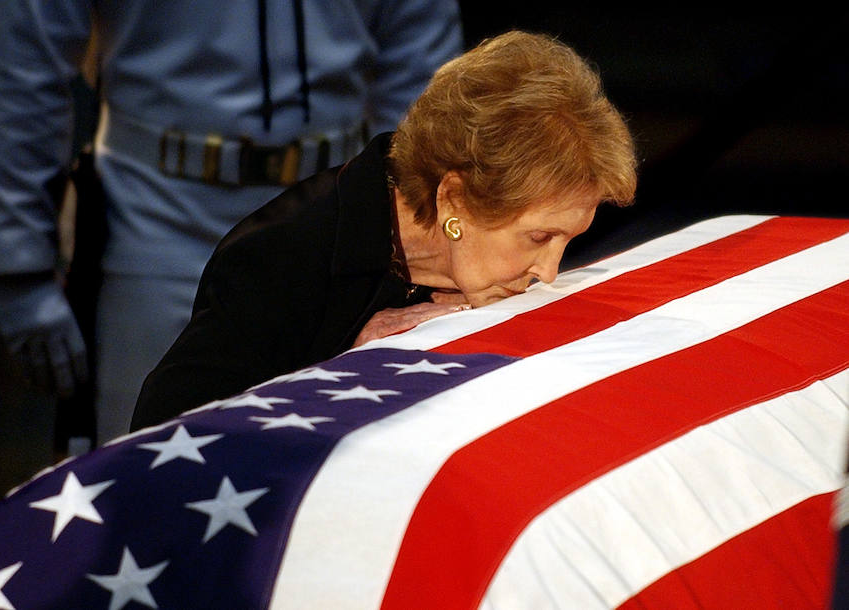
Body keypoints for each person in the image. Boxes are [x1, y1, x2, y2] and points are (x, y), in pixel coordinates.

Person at [0, 0, 463, 446]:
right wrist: (18, 264)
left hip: (347, 213)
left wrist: (428, 229)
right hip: (157, 213)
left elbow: (422, 65)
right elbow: (25, 49)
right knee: (150, 467)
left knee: (339, 468)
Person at [130, 30, 638, 431]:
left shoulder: (482, 258)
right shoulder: (281, 258)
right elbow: (165, 444)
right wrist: (342, 378)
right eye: (539, 238)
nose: (549, 273)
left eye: (567, 240)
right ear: (453, 199)